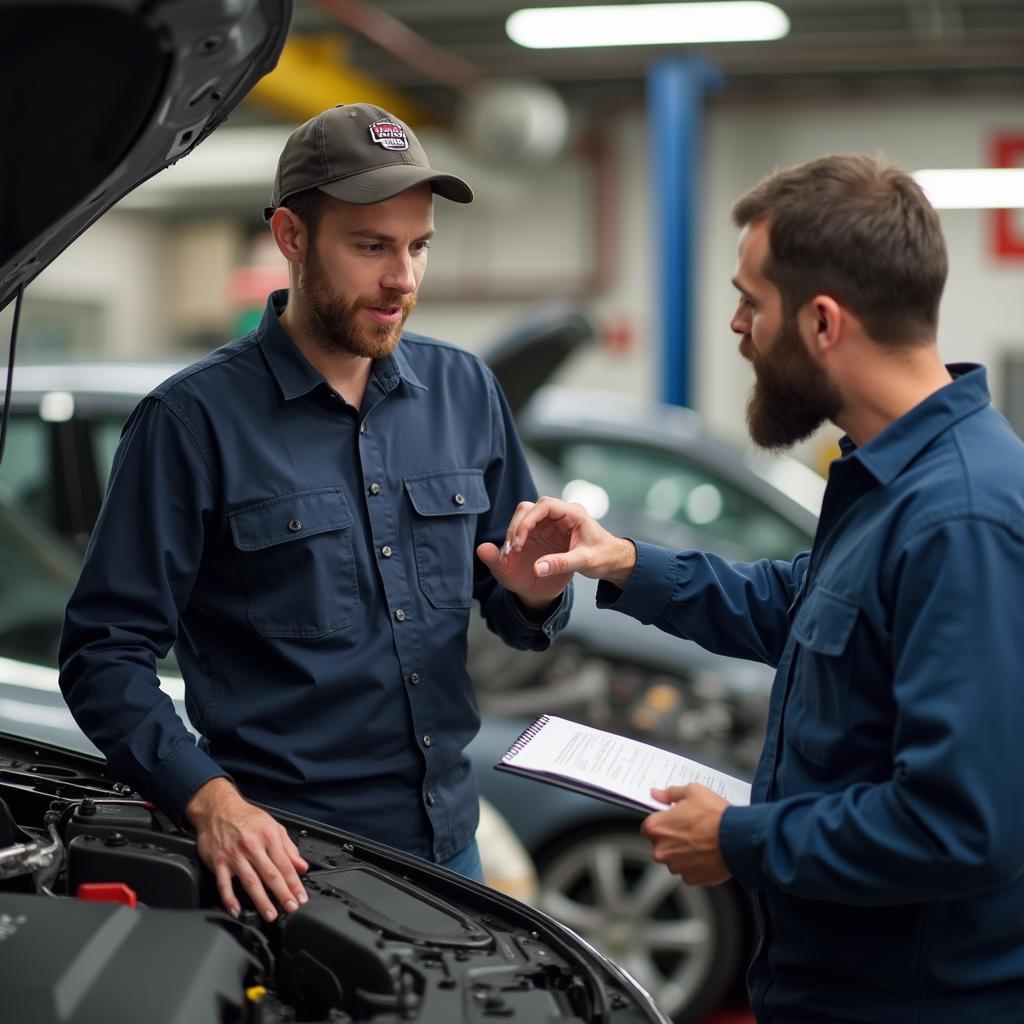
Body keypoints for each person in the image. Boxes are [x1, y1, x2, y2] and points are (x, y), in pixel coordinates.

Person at [501, 154, 1024, 1022]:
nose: (738, 325)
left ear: (823, 322)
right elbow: (801, 607)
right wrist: (622, 560)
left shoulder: (960, 519)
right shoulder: (893, 478)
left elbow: (959, 823)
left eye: (752, 301)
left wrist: (738, 840)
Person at [58, 103, 572, 922]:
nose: (402, 278)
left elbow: (517, 615)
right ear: (293, 237)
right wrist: (209, 800)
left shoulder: (467, 393)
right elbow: (102, 656)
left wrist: (535, 591)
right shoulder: (192, 423)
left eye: (418, 247)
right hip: (290, 864)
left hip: (454, 847)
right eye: (371, 246)